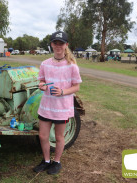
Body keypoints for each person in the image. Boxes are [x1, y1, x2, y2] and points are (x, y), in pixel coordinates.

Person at [33, 30, 82, 175]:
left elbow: (76, 86)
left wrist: (62, 92)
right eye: (55, 43)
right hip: (46, 106)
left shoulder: (72, 65)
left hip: (62, 107)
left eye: (61, 43)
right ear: (51, 45)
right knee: (43, 136)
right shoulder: (45, 64)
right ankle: (46, 161)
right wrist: (42, 85)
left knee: (59, 137)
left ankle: (57, 162)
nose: (58, 45)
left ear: (66, 45)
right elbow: (41, 80)